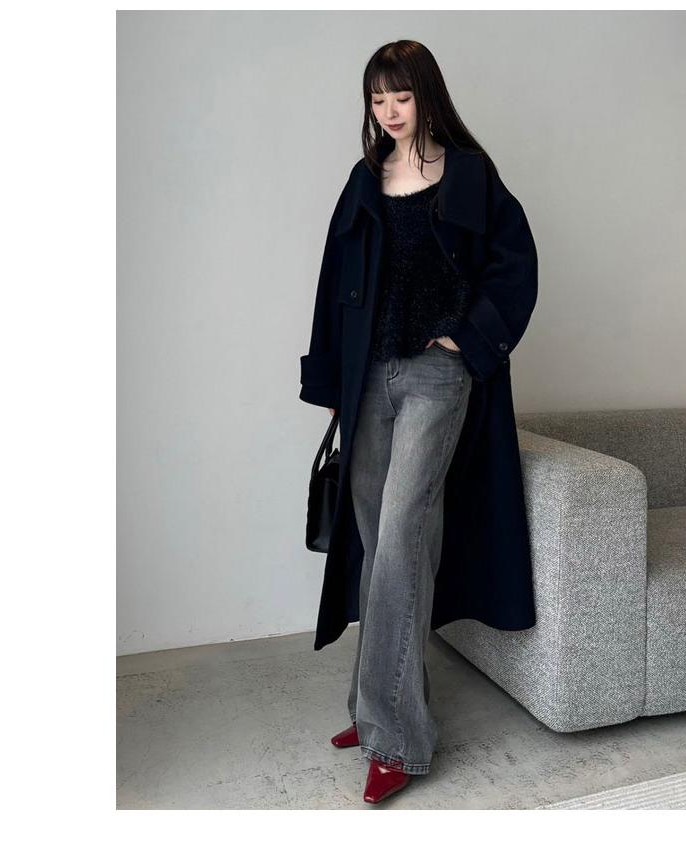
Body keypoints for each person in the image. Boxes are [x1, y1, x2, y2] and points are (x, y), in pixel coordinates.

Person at [299, 40, 538, 804]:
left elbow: (515, 264)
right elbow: (335, 282)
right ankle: (374, 709)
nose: (389, 111)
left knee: (403, 535)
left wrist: (465, 340)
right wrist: (331, 379)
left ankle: (396, 740)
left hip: (436, 378)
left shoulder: (469, 173)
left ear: (427, 94)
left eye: (400, 96)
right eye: (378, 99)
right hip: (369, 378)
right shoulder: (365, 178)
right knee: (378, 543)